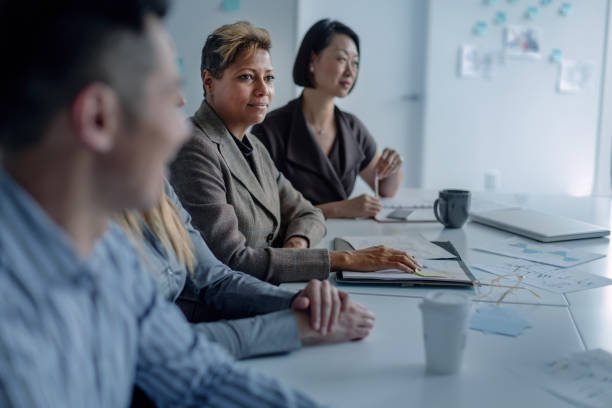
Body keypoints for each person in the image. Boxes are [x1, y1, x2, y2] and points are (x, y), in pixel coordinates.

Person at [0, 1, 323, 406]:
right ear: (99, 118)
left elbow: (200, 378)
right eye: (168, 95)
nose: (180, 130)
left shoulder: (112, 257)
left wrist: (297, 304)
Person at [170, 21, 421, 285]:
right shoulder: (194, 147)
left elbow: (308, 213)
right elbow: (231, 260)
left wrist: (296, 247)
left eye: (268, 78)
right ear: (209, 82)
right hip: (225, 305)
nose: (263, 90)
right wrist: (346, 259)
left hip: (269, 284)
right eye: (246, 76)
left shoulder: (254, 147)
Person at [118, 179, 375, 360]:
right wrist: (292, 327)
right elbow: (140, 346)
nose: (181, 101)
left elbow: (213, 278)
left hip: (203, 351)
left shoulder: (156, 183)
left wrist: (302, 303)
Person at [252, 19, 404, 219]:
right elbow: (261, 210)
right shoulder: (271, 129)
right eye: (341, 59)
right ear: (312, 61)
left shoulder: (353, 127)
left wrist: (394, 165)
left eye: (355, 62)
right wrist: (339, 209)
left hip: (347, 240)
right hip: (293, 243)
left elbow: (385, 189)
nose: (350, 72)